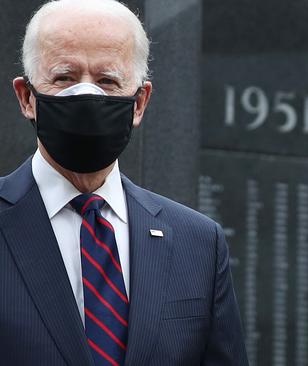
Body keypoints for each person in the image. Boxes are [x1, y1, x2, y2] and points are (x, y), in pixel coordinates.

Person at [0, 0, 248, 365]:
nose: (86, 96)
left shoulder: (197, 243)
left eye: (107, 81)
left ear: (140, 102)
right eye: (65, 78)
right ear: (26, 98)